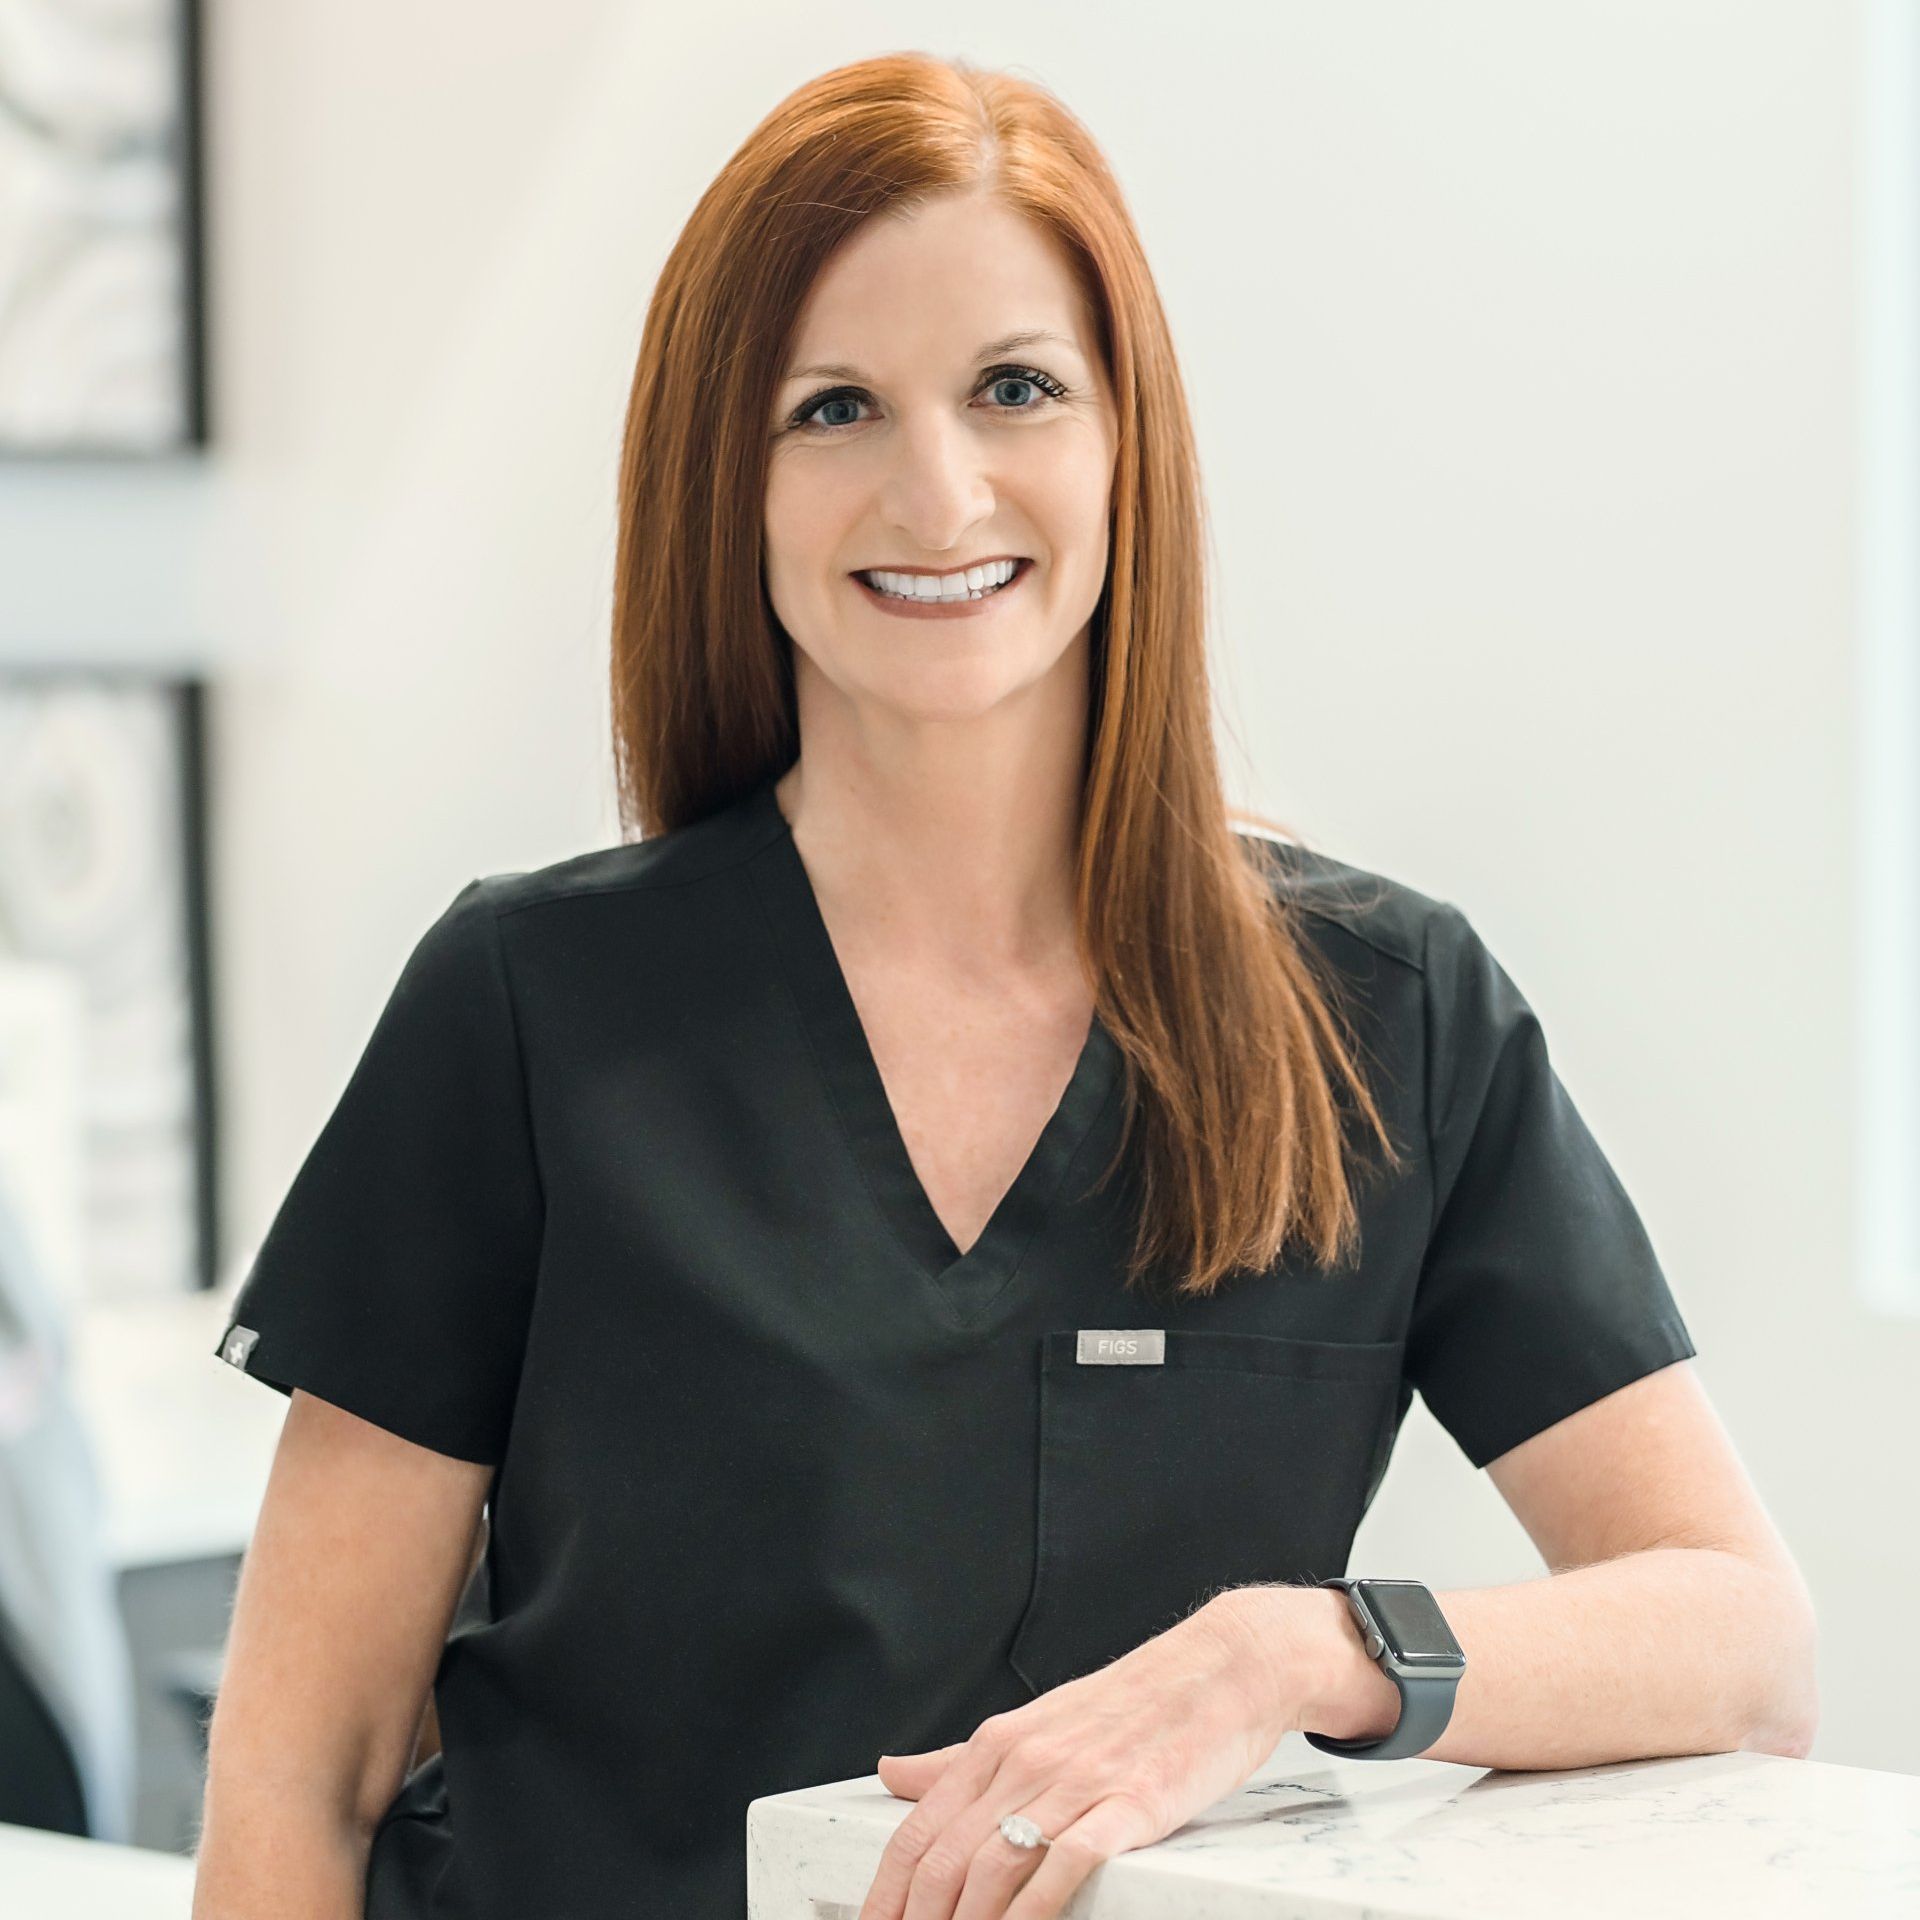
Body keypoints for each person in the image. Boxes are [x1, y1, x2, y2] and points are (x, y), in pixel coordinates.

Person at [190, 51, 1816, 1920]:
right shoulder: (532, 1003)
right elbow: (301, 1772)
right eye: (835, 408)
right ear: (727, 477)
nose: (938, 487)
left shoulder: (1388, 1020)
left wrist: (1291, 1656)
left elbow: (1741, 1639)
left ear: (1129, 440)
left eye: (1016, 388)